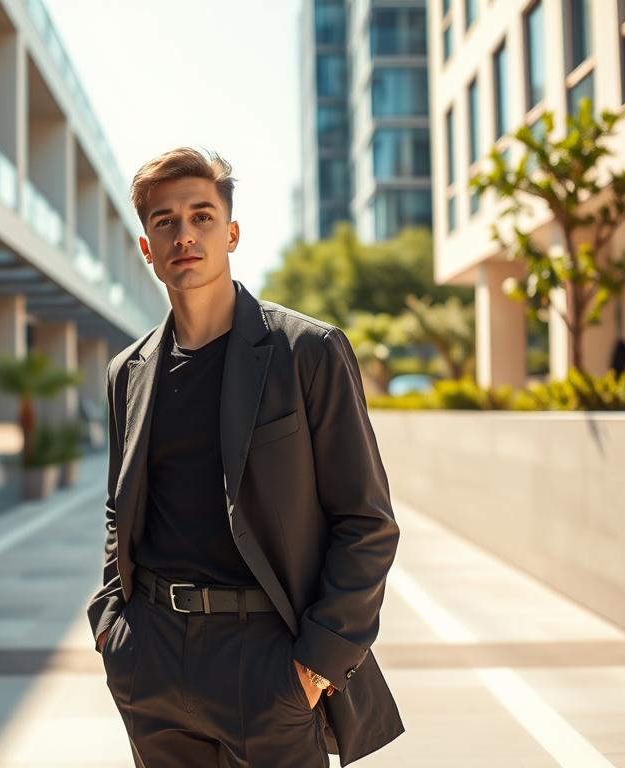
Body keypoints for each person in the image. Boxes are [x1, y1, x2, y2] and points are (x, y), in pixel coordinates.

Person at [86, 147, 403, 767]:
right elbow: (118, 507)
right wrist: (111, 627)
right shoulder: (128, 372)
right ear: (147, 248)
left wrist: (317, 664)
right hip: (149, 656)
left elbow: (367, 522)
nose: (185, 234)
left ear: (231, 233)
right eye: (165, 221)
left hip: (266, 658)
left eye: (202, 217)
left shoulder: (306, 351)